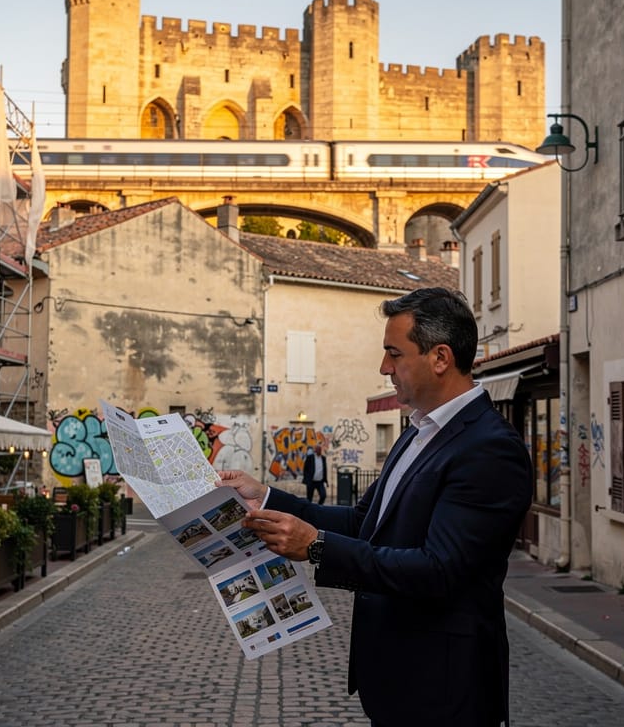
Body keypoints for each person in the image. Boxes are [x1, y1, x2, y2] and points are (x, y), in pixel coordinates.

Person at [219, 287, 532, 727]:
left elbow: (440, 570)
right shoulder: (417, 432)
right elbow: (364, 522)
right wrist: (265, 497)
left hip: (442, 691)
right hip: (393, 679)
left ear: (440, 358)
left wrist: (317, 546)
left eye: (394, 353)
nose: (384, 367)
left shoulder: (490, 447)